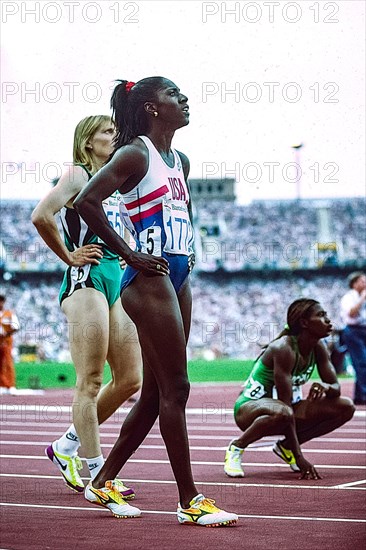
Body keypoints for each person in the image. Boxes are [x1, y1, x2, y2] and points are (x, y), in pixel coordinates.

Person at [74, 77, 238, 526]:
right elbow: (86, 200)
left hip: (177, 272)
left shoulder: (178, 160)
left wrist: (189, 259)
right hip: (147, 276)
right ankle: (189, 500)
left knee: (154, 392)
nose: (184, 100)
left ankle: (103, 481)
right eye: (174, 94)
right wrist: (129, 254)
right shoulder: (135, 153)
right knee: (177, 388)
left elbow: (181, 214)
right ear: (150, 107)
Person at [31, 115, 142, 502]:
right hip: (87, 280)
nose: (115, 137)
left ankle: (65, 447)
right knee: (91, 381)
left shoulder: (114, 184)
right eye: (108, 133)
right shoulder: (78, 176)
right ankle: (98, 476)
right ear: (87, 142)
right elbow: (41, 215)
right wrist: (68, 255)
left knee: (130, 378)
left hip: (114, 279)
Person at [224, 298, 355, 480]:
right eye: (321, 315)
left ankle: (285, 447)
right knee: (284, 412)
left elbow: (336, 388)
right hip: (249, 409)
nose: (329, 320)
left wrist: (326, 386)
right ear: (304, 323)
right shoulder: (284, 349)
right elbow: (285, 409)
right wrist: (300, 458)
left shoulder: (319, 347)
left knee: (346, 407)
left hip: (282, 409)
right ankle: (237, 447)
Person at [340, 272, 366, 405]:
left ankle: (360, 395)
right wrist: (362, 298)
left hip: (364, 329)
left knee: (362, 363)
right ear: (354, 283)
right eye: (362, 281)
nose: (365, 284)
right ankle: (363, 394)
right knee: (361, 362)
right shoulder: (348, 297)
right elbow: (352, 313)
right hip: (353, 331)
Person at [0, 294, 20, 395]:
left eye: (1, 301)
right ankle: (2, 385)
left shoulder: (9, 314)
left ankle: (11, 385)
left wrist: (6, 334)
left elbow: (16, 326)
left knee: (8, 363)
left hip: (6, 341)